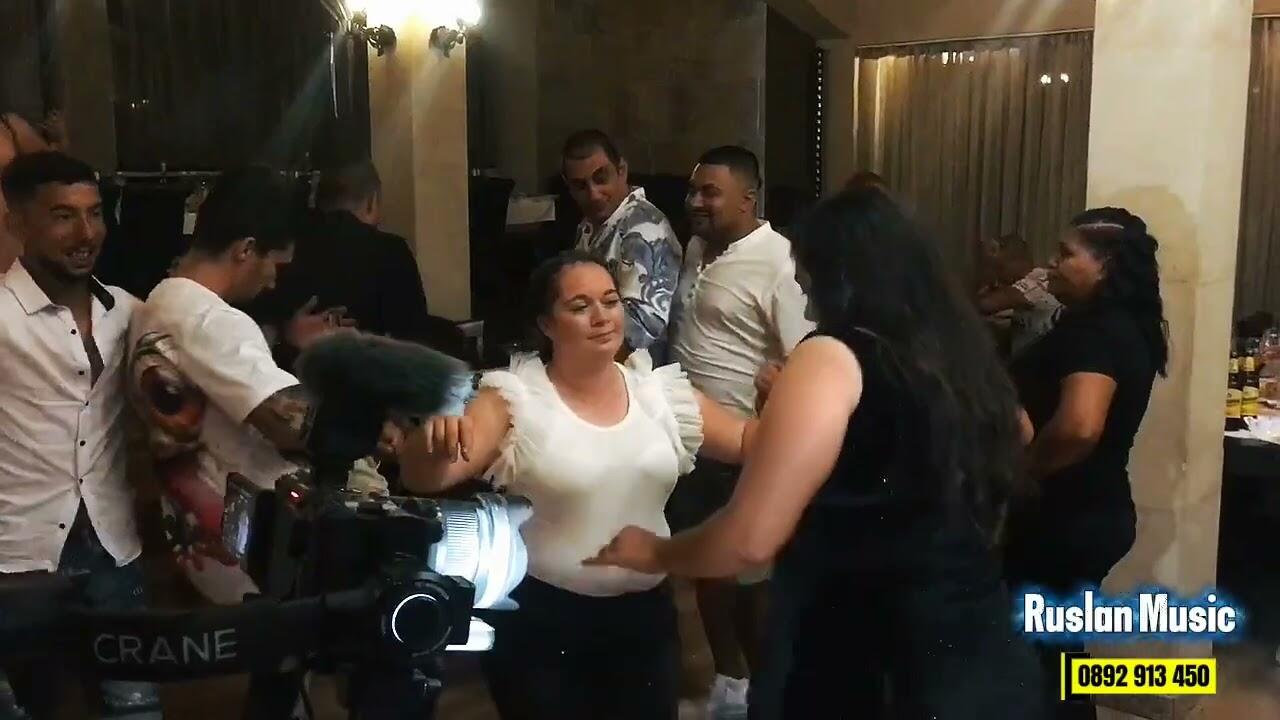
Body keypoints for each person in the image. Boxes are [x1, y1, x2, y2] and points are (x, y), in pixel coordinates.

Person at [587, 186, 1045, 719]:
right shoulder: (955, 351)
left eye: (806, 267)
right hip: (978, 642)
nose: (800, 282)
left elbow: (749, 540)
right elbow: (1020, 432)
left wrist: (657, 553)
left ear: (840, 272)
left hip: (871, 659)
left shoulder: (833, 354)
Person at [397, 251, 755, 720]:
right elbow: (427, 476)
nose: (601, 316)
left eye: (610, 301)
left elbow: (748, 441)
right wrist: (432, 443)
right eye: (580, 306)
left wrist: (798, 396)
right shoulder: (515, 397)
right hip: (546, 624)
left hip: (646, 619)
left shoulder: (660, 394)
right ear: (546, 324)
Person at [128, 166, 346, 605]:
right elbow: (296, 424)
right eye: (275, 264)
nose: (273, 281)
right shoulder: (207, 318)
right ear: (246, 248)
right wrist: (375, 412)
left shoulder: (155, 305)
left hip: (199, 538)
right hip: (250, 551)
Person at [0, 151, 161, 718]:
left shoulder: (130, 312)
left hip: (114, 546)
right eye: (63, 216)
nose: (86, 233)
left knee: (136, 707)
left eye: (94, 213)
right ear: (18, 222)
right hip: (17, 556)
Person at [667, 145, 814, 717]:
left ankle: (771, 694)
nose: (695, 202)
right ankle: (730, 686)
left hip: (746, 449)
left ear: (749, 199)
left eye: (711, 193)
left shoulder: (779, 262)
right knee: (708, 572)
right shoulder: (697, 248)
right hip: (693, 444)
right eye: (693, 190)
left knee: (752, 586)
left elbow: (803, 357)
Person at [1004, 208, 1167, 720]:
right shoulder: (1126, 326)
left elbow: (1080, 426)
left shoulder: (1095, 332)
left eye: (1066, 254)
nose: (1052, 264)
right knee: (1057, 656)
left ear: (1106, 265)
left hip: (1063, 515)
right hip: (1095, 509)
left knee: (1036, 661)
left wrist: (1023, 474)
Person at [249, 159, 434, 352]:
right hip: (372, 368)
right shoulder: (392, 251)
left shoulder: (281, 250)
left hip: (289, 367)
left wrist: (287, 334)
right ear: (371, 202)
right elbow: (416, 343)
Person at [564, 129, 682, 362]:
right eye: (580, 185)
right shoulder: (590, 223)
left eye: (601, 179)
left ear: (622, 171)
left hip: (635, 372)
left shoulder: (645, 228)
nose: (594, 194)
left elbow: (640, 331)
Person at [976, 233, 1063, 358]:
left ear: (1016, 262)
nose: (998, 275)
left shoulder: (1038, 279)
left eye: (999, 268)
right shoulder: (1024, 289)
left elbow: (985, 305)